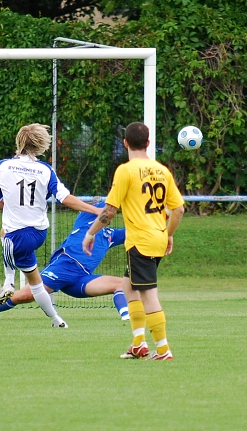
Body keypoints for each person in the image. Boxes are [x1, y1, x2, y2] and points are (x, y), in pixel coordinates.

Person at [83, 122, 185, 361]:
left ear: (125, 143)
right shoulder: (162, 170)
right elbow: (178, 209)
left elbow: (109, 211)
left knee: (148, 293)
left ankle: (162, 349)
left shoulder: (126, 170)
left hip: (141, 241)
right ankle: (138, 344)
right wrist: (168, 233)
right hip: (156, 237)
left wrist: (91, 233)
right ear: (148, 143)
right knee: (128, 286)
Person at [0, 123, 101, 328]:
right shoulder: (45, 170)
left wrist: (10, 204)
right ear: (40, 145)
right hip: (39, 233)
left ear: (19, 142)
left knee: (5, 233)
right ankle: (57, 320)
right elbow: (64, 197)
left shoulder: (2, 166)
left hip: (17, 236)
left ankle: (8, 283)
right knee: (36, 284)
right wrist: (95, 210)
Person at [0, 200, 129, 322]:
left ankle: (127, 319)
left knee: (121, 284)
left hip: (81, 279)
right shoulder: (85, 217)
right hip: (64, 267)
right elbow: (111, 204)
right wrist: (126, 195)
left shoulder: (111, 235)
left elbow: (133, 232)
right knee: (23, 296)